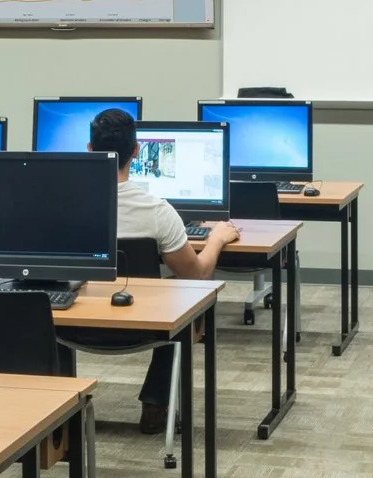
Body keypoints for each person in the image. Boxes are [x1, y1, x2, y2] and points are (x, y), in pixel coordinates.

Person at [65, 108, 241, 433]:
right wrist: (215, 239)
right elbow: (197, 276)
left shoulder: (64, 206)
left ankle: (58, 413)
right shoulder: (158, 211)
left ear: (89, 151)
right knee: (189, 296)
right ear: (135, 151)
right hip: (143, 327)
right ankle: (157, 402)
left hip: (71, 327)